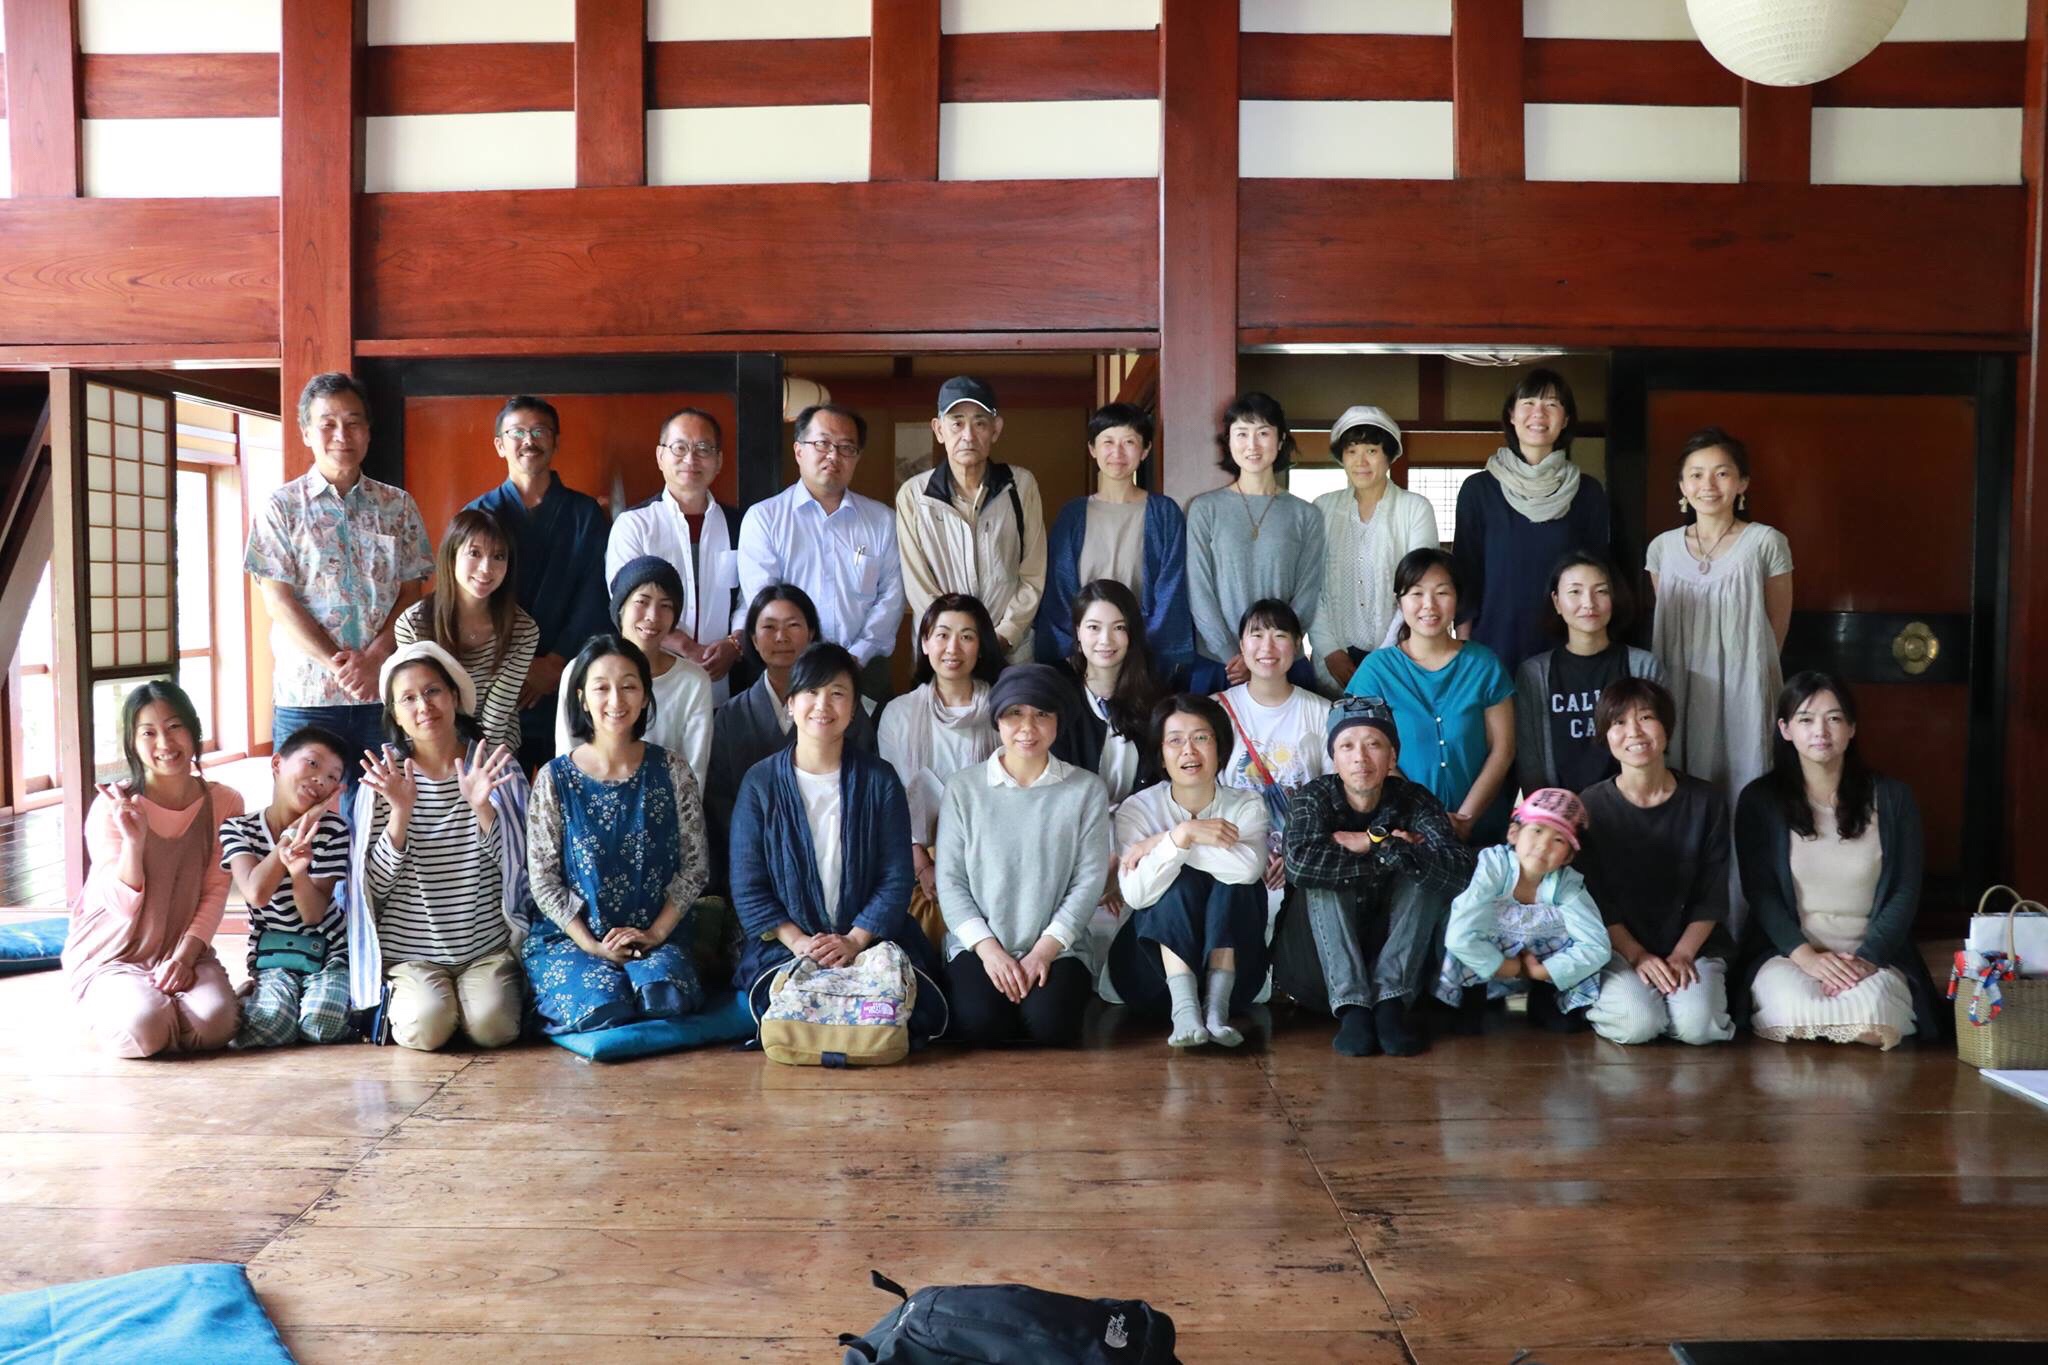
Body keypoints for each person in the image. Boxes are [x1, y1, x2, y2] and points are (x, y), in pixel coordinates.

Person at [727, 643, 944, 1027]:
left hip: (871, 942)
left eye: (837, 693)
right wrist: (800, 943)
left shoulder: (880, 780)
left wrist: (855, 940)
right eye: (811, 691)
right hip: (787, 948)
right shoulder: (760, 783)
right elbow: (748, 884)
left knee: (906, 1007)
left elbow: (895, 878)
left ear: (854, 707)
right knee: (783, 1006)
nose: (823, 705)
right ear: (790, 704)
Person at [245, 372, 433, 801]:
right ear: (306, 432)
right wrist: (341, 667)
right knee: (303, 819)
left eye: (353, 422)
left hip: (383, 692)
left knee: (383, 811)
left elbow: (411, 593)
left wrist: (374, 660)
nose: (341, 435)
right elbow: (278, 600)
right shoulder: (280, 507)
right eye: (327, 424)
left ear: (368, 431)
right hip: (306, 697)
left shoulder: (398, 506)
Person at [1739, 673, 1943, 1049]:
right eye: (1806, 719)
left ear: (1851, 728)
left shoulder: (1894, 799)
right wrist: (1808, 959)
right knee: (1793, 1010)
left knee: (1874, 1016)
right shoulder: (1760, 801)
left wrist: (1866, 960)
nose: (1821, 731)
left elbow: (1905, 891)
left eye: (1834, 718)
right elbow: (1761, 893)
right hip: (1789, 955)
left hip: (1873, 956)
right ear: (1785, 729)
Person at [345, 642, 529, 1052]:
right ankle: (440, 1006)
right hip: (411, 953)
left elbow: (521, 872)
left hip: (485, 948)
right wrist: (400, 812)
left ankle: (465, 1005)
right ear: (395, 715)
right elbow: (372, 888)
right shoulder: (383, 779)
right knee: (427, 1026)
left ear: (455, 697)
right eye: (408, 699)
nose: (424, 706)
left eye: (433, 691)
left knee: (494, 1027)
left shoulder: (494, 767)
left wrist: (483, 808)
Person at [523, 635, 709, 1035]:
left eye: (628, 686)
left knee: (664, 996)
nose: (616, 699)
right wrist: (592, 944)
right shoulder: (555, 779)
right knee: (601, 1008)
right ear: (582, 699)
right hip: (575, 940)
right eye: (601, 687)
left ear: (644, 696)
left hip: (658, 935)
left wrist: (655, 933)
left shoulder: (673, 770)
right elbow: (543, 879)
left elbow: (694, 867)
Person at [1278, 696, 1477, 1057]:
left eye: (1373, 744)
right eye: (1347, 746)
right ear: (1334, 758)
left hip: (1395, 956)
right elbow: (1300, 865)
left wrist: (1372, 844)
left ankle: (1390, 1004)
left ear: (1392, 757)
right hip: (1316, 968)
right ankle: (1353, 1009)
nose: (1360, 757)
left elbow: (1459, 870)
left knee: (1425, 874)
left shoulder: (1415, 799)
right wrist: (1390, 849)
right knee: (1325, 879)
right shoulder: (1314, 797)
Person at [63, 682, 244, 1058]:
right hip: (114, 952)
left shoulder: (224, 802)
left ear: (193, 730)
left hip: (181, 947)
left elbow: (215, 891)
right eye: (148, 732)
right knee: (146, 1029)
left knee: (217, 1026)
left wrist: (184, 959)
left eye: (175, 726)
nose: (165, 742)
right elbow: (119, 906)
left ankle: (164, 1005)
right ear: (132, 743)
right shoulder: (113, 807)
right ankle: (111, 1002)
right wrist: (134, 842)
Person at [935, 665, 1110, 1047]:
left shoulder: (1086, 790)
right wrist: (990, 952)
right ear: (998, 719)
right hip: (979, 944)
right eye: (1015, 713)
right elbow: (949, 881)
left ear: (1058, 721)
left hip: (1059, 948)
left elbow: (1088, 881)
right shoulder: (964, 788)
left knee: (1051, 1026)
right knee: (979, 1025)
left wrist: (1044, 951)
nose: (1027, 727)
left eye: (1042, 714)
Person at [1575, 677, 1737, 1047]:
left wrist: (1683, 954)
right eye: (1619, 722)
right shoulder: (1590, 805)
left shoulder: (1706, 800)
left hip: (1692, 944)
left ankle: (1671, 1005)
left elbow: (1712, 892)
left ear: (1666, 726)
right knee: (1638, 1024)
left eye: (1646, 717)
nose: (1634, 732)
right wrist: (1637, 955)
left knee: (1698, 1027)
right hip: (1619, 946)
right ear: (1605, 735)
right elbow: (1595, 899)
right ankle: (1646, 1005)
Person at [1647, 426, 1794, 814]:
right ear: (1682, 486)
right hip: (1681, 685)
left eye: (1722, 473)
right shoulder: (1662, 549)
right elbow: (1674, 626)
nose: (1708, 485)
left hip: (1746, 687)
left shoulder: (1766, 542)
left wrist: (1747, 676)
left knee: (1748, 784)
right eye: (1696, 474)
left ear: (1742, 483)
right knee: (1684, 789)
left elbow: (1775, 628)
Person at [1107, 695, 1269, 1048]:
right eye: (1175, 740)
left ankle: (1215, 1010)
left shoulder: (1246, 804)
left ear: (1220, 748)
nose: (1189, 751)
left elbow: (1248, 869)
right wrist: (1181, 835)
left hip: (1235, 984)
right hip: (1150, 979)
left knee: (1234, 882)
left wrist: (1163, 844)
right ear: (1161, 755)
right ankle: (1185, 1011)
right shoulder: (1137, 809)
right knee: (1176, 883)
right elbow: (1136, 894)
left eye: (1201, 738)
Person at [465, 395, 613, 770]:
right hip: (497, 680)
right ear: (499, 444)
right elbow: (466, 601)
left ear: (555, 441)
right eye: (516, 432)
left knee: (569, 782)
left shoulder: (585, 513)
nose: (528, 441)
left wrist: (556, 663)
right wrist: (520, 665)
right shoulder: (478, 514)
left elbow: (595, 595)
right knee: (499, 789)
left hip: (570, 676)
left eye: (539, 431)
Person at [705, 584, 876, 885]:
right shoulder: (732, 716)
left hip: (837, 862)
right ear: (753, 639)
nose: (781, 637)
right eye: (769, 627)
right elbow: (720, 801)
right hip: (756, 866)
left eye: (793, 625)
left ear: (811, 632)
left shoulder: (842, 708)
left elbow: (865, 784)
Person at [1346, 550, 1516, 845]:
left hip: (1482, 829)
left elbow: (1503, 750)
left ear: (1457, 600)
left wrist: (1464, 820)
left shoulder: (1484, 664)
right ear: (1400, 601)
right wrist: (1427, 820)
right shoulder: (1376, 671)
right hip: (1405, 831)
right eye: (1416, 593)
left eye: (1442, 592)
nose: (1429, 605)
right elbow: (1367, 755)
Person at [737, 404, 904, 699]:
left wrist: (857, 656)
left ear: (857, 457)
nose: (833, 455)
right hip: (789, 668)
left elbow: (891, 597)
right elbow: (764, 600)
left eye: (846, 447)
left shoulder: (882, 521)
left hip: (865, 669)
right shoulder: (765, 518)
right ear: (799, 451)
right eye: (822, 443)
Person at [1452, 368, 1611, 672]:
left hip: (1568, 641)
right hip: (1495, 640)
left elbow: (1598, 572)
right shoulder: (1478, 490)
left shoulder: (1587, 492)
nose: (1539, 413)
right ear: (1511, 415)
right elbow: (1466, 572)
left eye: (1551, 404)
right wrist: (1464, 645)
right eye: (1528, 403)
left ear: (1566, 419)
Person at [878, 594, 1004, 947]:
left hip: (989, 857)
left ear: (981, 647)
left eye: (966, 636)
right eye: (942, 635)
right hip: (914, 859)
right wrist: (922, 864)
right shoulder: (898, 713)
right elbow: (893, 800)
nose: (953, 648)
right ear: (924, 642)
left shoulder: (1003, 711)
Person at [896, 376, 1047, 668]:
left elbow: (1033, 572)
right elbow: (918, 584)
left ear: (996, 429)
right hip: (944, 654)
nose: (968, 435)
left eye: (979, 423)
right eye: (957, 423)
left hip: (1010, 650)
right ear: (938, 430)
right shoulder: (914, 495)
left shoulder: (1020, 485)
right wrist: (955, 641)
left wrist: (1003, 636)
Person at [219, 726, 353, 1048]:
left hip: (329, 951)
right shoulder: (238, 828)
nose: (320, 780)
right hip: (274, 956)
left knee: (321, 1024)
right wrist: (291, 836)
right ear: (277, 763)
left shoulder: (334, 830)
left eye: (333, 777)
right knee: (267, 1029)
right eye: (312, 763)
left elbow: (313, 915)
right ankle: (255, 999)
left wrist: (299, 872)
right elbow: (256, 893)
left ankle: (341, 998)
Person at [1034, 403, 1192, 676]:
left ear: (1145, 450)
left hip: (1144, 656)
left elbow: (1172, 589)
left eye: (1129, 442)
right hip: (1084, 655)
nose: (1117, 452)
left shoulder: (1164, 513)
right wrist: (1080, 647)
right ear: (1092, 449)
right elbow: (1059, 592)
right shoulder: (1073, 514)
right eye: (1108, 442)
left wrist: (1139, 648)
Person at [1438, 788, 1609, 1034]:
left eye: (1558, 840)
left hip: (1538, 967)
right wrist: (1505, 967)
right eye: (1537, 830)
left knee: (1569, 929)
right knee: (1468, 921)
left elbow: (1596, 945)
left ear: (1568, 857)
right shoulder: (1494, 866)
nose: (1543, 845)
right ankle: (1472, 997)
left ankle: (1545, 998)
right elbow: (1460, 934)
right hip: (1489, 961)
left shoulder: (1567, 885)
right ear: (1514, 833)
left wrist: (1543, 972)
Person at [605, 406, 744, 704]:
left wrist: (734, 644)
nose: (691, 459)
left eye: (703, 449)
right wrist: (687, 648)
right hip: (650, 683)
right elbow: (627, 606)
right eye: (679, 448)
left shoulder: (740, 525)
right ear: (660, 457)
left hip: (725, 683)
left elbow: (751, 597)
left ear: (719, 460)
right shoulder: (634, 524)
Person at [1185, 392, 1324, 691]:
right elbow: (1199, 591)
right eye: (1242, 433)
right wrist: (1235, 655)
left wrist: (1268, 653)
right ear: (1228, 441)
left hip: (1283, 663)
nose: (1252, 445)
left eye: (1263, 433)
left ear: (1281, 439)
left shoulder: (1306, 514)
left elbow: (1308, 593)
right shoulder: (1204, 509)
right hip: (1221, 664)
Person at [1213, 601, 1332, 932]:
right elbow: (1203, 793)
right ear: (1241, 646)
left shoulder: (1322, 713)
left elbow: (1333, 795)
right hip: (1232, 855)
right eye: (1256, 635)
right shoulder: (1216, 711)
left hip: (1304, 860)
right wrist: (1247, 847)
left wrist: (1296, 851)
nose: (1267, 647)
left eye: (1280, 635)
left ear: (1297, 645)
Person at [553, 556, 714, 790]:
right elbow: (567, 759)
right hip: (587, 804)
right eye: (642, 602)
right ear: (621, 607)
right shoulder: (580, 670)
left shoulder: (693, 682)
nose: (653, 616)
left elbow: (694, 774)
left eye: (666, 606)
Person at [1309, 406, 1440, 691]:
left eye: (1372, 450)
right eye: (1352, 451)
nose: (1361, 461)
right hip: (1333, 660)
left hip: (1400, 654)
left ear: (1389, 455)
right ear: (1341, 457)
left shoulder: (1414, 508)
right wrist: (1330, 651)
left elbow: (1419, 587)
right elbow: (1310, 586)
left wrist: (1384, 656)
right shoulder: (1322, 508)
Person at [1514, 550, 1667, 795]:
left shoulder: (1643, 666)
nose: (1589, 603)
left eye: (1601, 591)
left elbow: (1659, 744)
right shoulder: (1534, 673)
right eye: (1575, 592)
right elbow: (1530, 758)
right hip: (1561, 809)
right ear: (1556, 602)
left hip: (1630, 804)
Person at [393, 508, 540, 757]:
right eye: (474, 553)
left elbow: (497, 714)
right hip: (431, 745)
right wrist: (441, 764)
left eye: (498, 556)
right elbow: (416, 704)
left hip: (495, 749)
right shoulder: (413, 624)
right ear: (452, 556)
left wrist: (479, 766)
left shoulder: (523, 630)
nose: (486, 568)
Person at [1051, 579, 1165, 812]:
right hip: (1074, 820)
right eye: (1094, 627)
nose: (1106, 640)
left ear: (1132, 633)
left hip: (1139, 822)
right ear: (1078, 632)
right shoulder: (1056, 693)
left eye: (1119, 628)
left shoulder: (1155, 698)